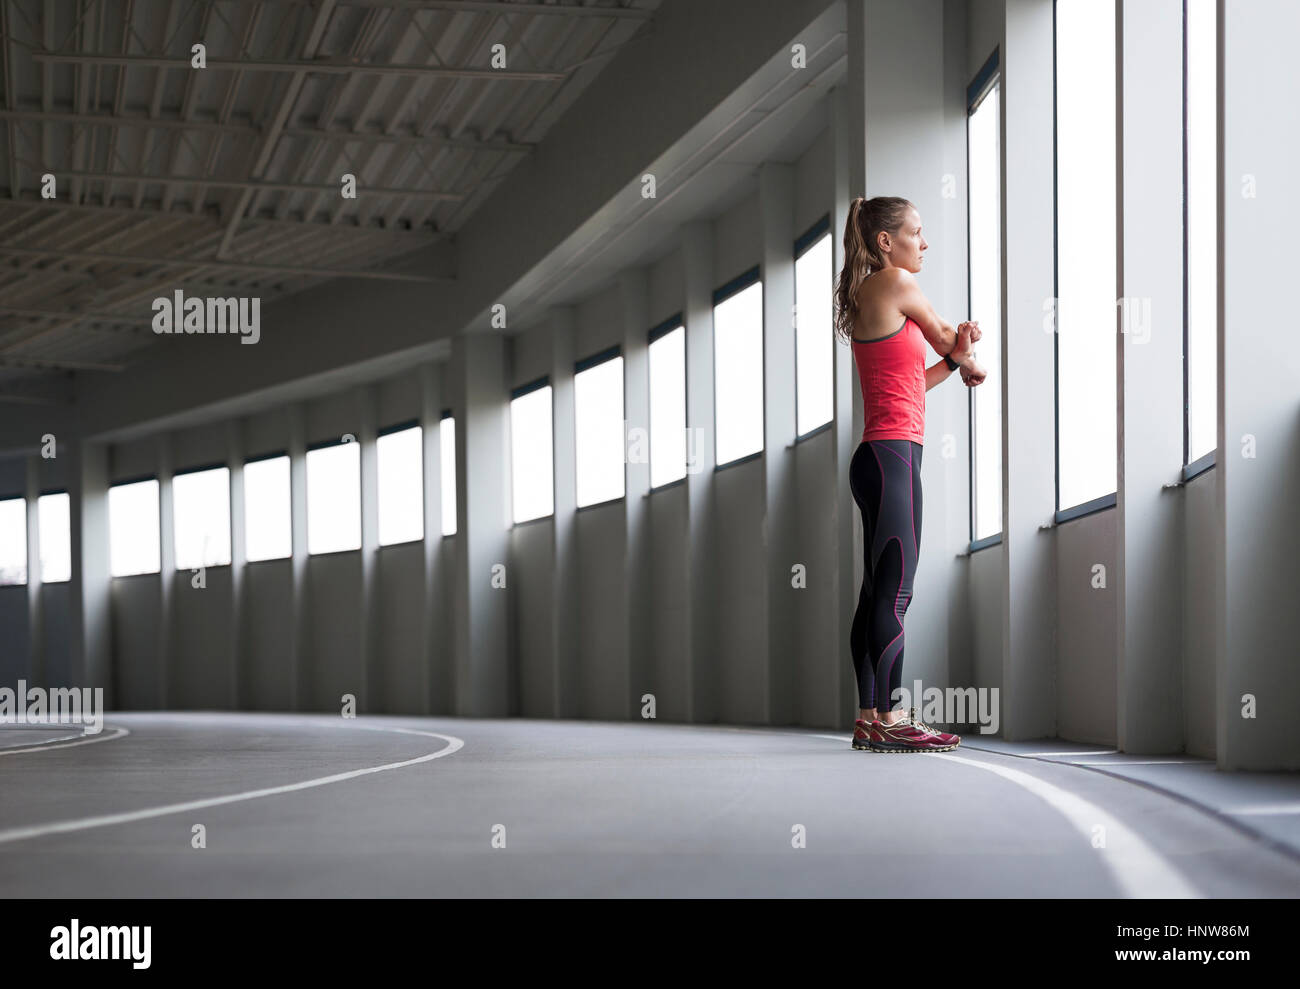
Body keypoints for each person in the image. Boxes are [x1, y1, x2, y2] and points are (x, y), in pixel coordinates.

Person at [832, 196, 987, 753]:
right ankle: (894, 717)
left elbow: (913, 384)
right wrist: (965, 352)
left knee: (875, 592)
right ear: (885, 243)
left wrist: (954, 363)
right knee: (895, 594)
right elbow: (949, 335)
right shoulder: (896, 281)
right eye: (916, 233)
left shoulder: (871, 295)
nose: (924, 244)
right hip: (893, 460)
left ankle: (870, 717)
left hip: (877, 458)